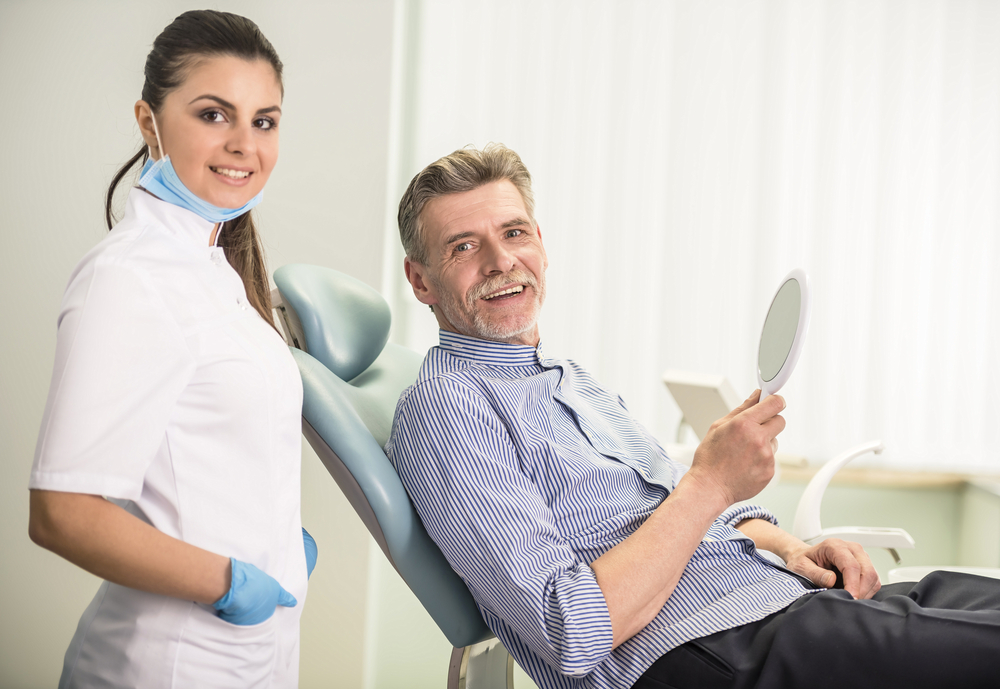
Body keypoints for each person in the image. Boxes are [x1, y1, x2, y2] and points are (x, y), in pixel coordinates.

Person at [385, 144, 1000, 689]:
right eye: (464, 246)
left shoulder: (570, 380)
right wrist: (710, 481)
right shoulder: (447, 408)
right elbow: (571, 628)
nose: (500, 261)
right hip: (705, 651)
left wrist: (792, 548)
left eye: (514, 232)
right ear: (421, 281)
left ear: (540, 241)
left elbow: (691, 506)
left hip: (779, 603)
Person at [28, 11, 316, 688]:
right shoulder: (128, 278)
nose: (245, 145)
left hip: (253, 659)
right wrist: (227, 578)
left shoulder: (217, 268)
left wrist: (278, 546)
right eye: (215, 115)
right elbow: (63, 513)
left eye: (265, 120)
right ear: (148, 121)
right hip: (165, 664)